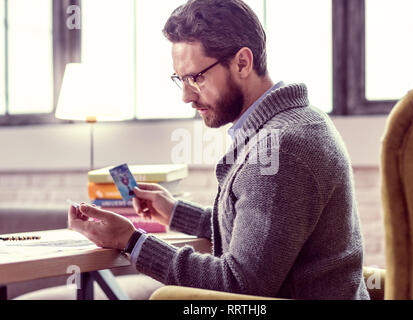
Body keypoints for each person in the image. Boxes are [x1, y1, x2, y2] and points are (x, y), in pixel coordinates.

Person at [69, 0, 370, 299]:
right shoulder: (295, 122)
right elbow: (258, 233)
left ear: (242, 62)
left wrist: (132, 241)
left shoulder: (282, 148)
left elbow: (240, 284)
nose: (186, 96)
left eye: (196, 77)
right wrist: (173, 212)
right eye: (181, 79)